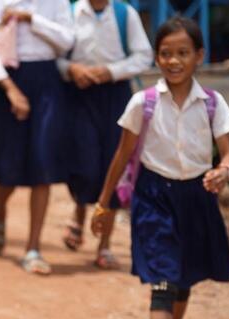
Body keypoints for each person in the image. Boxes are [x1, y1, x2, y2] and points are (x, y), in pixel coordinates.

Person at [91, 17, 229, 319]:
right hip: (154, 197)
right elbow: (121, 156)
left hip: (197, 197)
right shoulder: (143, 103)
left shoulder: (212, 103)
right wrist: (105, 204)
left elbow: (228, 154)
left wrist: (224, 172)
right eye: (166, 53)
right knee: (163, 280)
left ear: (199, 56)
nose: (174, 61)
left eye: (183, 53)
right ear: (156, 58)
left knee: (184, 279)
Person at [0, 0, 74, 274]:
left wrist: (31, 19)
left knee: (43, 162)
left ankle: (33, 248)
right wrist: (10, 89)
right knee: (8, 163)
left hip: (47, 82)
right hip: (7, 79)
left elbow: (67, 40)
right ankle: (0, 209)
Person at [58, 0, 152, 268]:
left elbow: (143, 56)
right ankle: (78, 212)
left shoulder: (125, 14)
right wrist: (72, 69)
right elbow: (56, 56)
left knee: (113, 166)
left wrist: (110, 71)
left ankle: (104, 244)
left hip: (115, 96)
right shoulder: (70, 12)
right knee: (82, 162)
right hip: (78, 95)